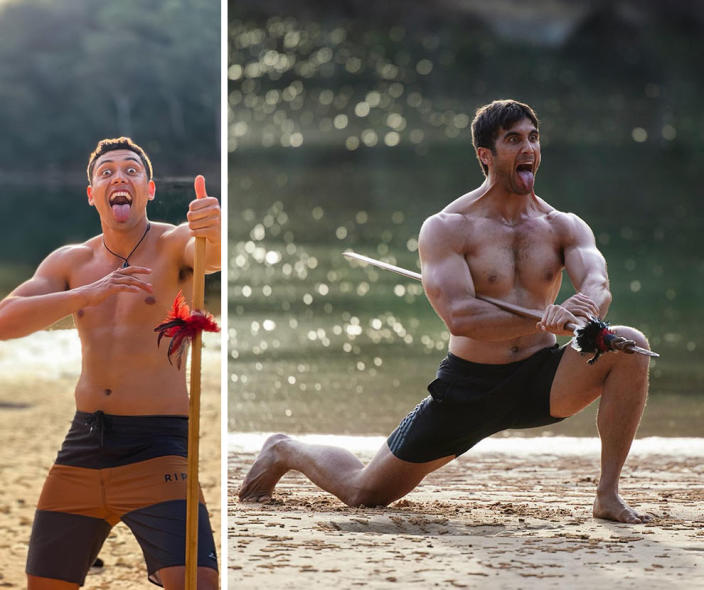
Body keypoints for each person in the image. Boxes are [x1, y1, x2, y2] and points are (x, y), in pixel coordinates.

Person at [238, 99, 652, 525]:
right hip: (471, 386)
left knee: (631, 346)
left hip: (542, 377)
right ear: (485, 156)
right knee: (365, 493)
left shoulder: (564, 225)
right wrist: (541, 314)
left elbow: (598, 284)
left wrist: (584, 310)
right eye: (513, 140)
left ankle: (607, 495)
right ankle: (283, 449)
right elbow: (461, 316)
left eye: (533, 137)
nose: (528, 148)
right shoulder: (448, 227)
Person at [0, 137, 221, 588]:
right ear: (91, 192)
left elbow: (210, 258)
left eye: (132, 170)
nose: (120, 177)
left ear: (149, 189)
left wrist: (213, 227)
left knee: (198, 583)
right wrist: (87, 293)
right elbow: (2, 323)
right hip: (85, 443)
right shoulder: (71, 260)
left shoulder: (175, 243)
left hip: (158, 445)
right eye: (107, 172)